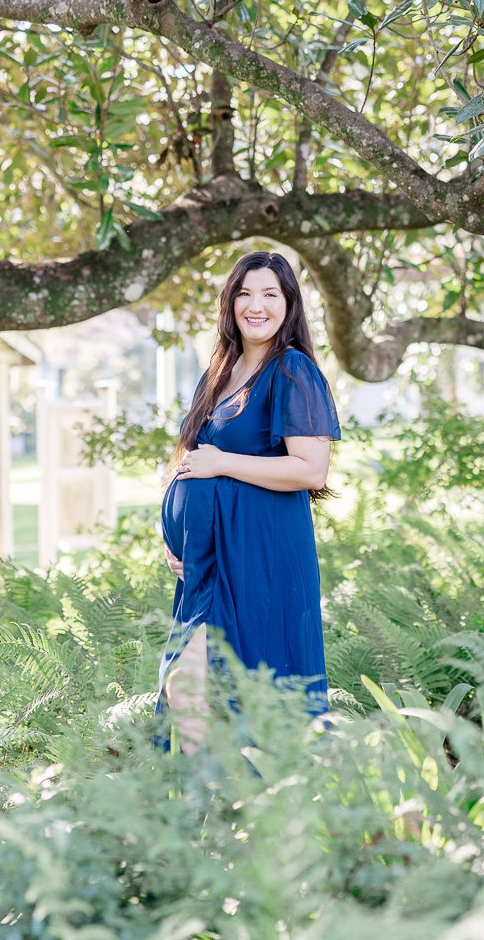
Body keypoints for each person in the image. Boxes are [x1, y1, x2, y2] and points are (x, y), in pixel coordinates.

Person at [154, 251, 341, 754]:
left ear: (289, 304)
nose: (255, 305)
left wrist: (223, 465)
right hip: (211, 566)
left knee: (258, 698)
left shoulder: (293, 370)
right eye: (244, 293)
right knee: (191, 689)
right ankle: (207, 815)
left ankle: (253, 812)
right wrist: (176, 540)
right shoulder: (220, 370)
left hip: (264, 558)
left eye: (269, 294)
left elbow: (310, 469)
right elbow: (189, 461)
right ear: (230, 303)